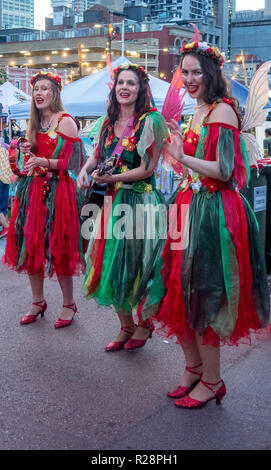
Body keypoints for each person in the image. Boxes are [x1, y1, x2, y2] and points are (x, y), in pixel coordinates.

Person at [135, 40, 270, 408]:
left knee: (204, 295)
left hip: (214, 214)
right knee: (176, 291)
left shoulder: (222, 112)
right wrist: (176, 161)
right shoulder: (196, 111)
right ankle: (193, 367)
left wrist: (183, 158)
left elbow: (224, 172)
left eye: (197, 72)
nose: (190, 79)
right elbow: (191, 166)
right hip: (188, 207)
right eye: (186, 72)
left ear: (211, 73)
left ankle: (212, 380)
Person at [77, 63, 168, 351]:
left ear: (141, 89)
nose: (124, 88)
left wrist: (111, 177)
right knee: (109, 265)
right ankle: (126, 325)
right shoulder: (107, 120)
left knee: (138, 266)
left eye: (131, 83)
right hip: (111, 203)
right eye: (120, 83)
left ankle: (143, 325)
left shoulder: (151, 121)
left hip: (140, 203)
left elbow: (147, 168)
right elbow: (96, 154)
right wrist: (85, 170)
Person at [3, 71, 85, 328]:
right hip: (32, 191)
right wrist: (26, 152)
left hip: (58, 191)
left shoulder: (66, 121)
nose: (39, 93)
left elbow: (73, 162)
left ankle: (69, 303)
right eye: (36, 89)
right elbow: (29, 161)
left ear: (55, 92)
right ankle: (38, 301)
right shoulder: (34, 123)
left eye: (45, 88)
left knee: (59, 248)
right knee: (31, 245)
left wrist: (44, 161)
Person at [0, 143, 12, 238]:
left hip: (1, 177)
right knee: (3, 205)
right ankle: (6, 228)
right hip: (6, 177)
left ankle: (7, 227)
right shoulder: (3, 145)